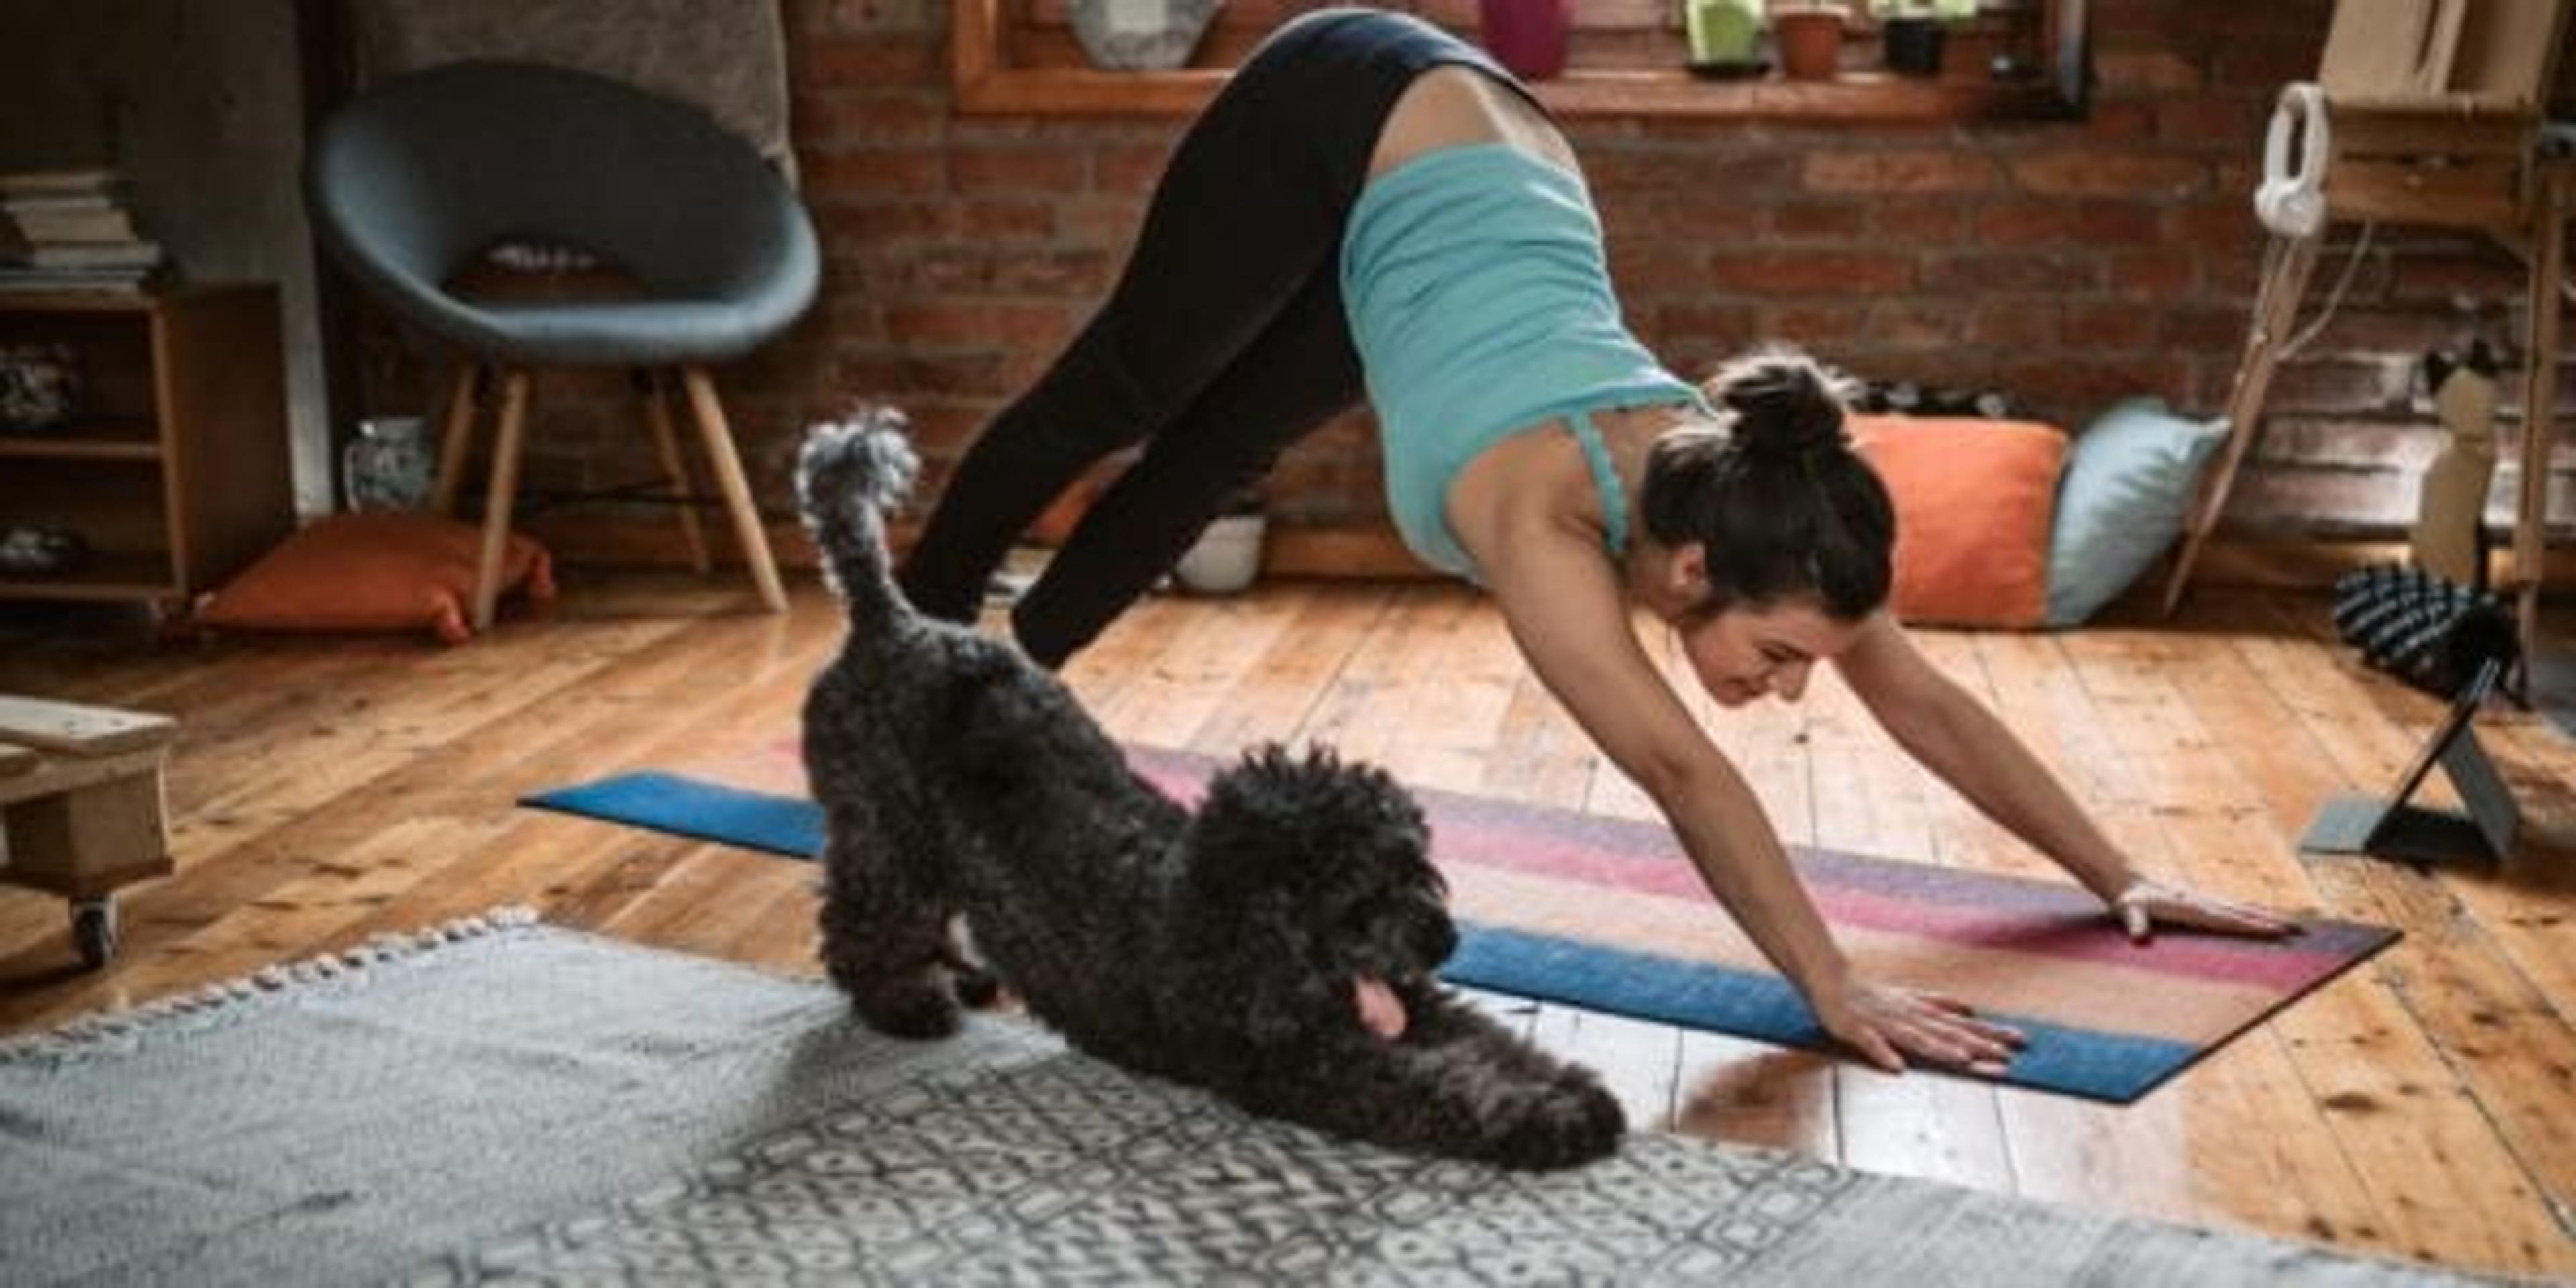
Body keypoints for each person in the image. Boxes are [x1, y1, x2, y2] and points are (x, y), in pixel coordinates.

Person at [899, 7, 2294, 1075]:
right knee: (1133, 394)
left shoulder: (1759, 513)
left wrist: (2118, 873)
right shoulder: (1543, 517)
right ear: (1691, 576)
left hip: (1472, 172)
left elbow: (1917, 691)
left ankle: (1007, 670)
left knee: (1217, 454)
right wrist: (1832, 985)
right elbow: (1684, 769)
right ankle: (908, 635)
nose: (1795, 688)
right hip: (1350, 102)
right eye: (1785, 658)